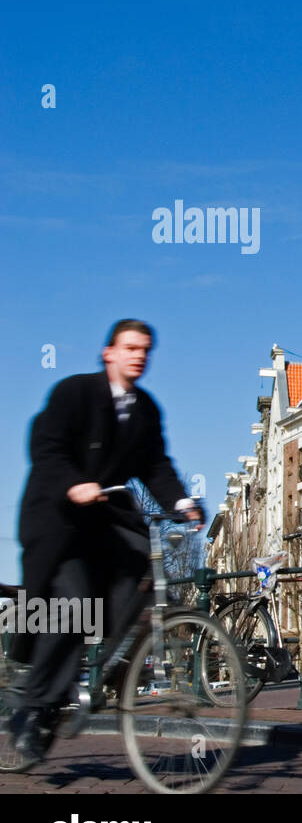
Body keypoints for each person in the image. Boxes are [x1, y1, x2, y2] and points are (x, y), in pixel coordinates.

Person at [9, 319, 202, 766]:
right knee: (72, 603)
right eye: (130, 347)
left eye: (146, 350)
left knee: (141, 570)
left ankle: (99, 668)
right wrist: (74, 484)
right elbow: (46, 446)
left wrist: (184, 502)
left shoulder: (146, 409)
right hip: (57, 521)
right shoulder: (73, 393)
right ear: (108, 353)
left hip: (101, 520)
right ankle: (35, 710)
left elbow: (156, 464)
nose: (139, 356)